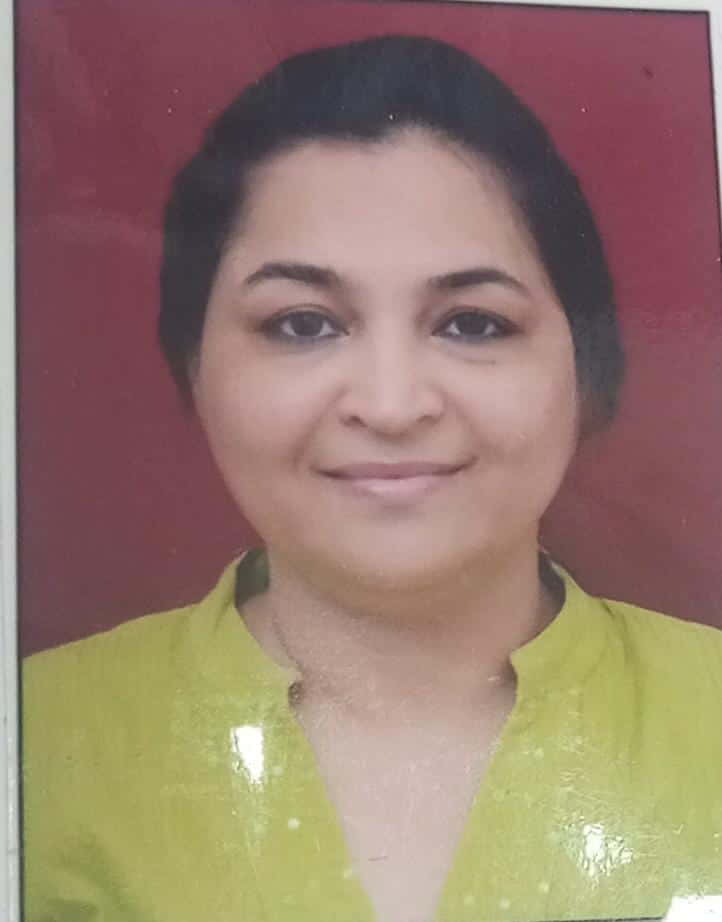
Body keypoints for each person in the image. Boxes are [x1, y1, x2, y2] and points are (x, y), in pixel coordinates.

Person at [22, 34, 722, 922]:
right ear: (193, 366)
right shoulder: (38, 735)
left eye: (472, 323)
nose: (391, 406)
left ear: (586, 370)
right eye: (303, 324)